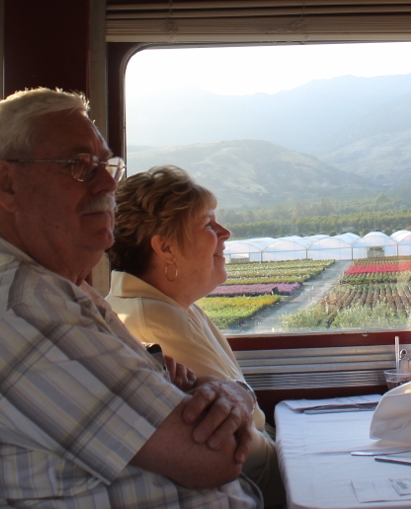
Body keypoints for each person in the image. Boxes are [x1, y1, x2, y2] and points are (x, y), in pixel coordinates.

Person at [0, 88, 260, 509]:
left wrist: (226, 395)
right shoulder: (24, 310)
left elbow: (184, 395)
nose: (109, 182)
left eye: (106, 165)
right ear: (6, 184)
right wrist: (237, 395)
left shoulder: (58, 291)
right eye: (79, 166)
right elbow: (217, 457)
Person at [107, 166, 282, 507]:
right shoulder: (156, 322)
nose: (225, 233)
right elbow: (238, 444)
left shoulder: (176, 308)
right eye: (208, 224)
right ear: (165, 247)